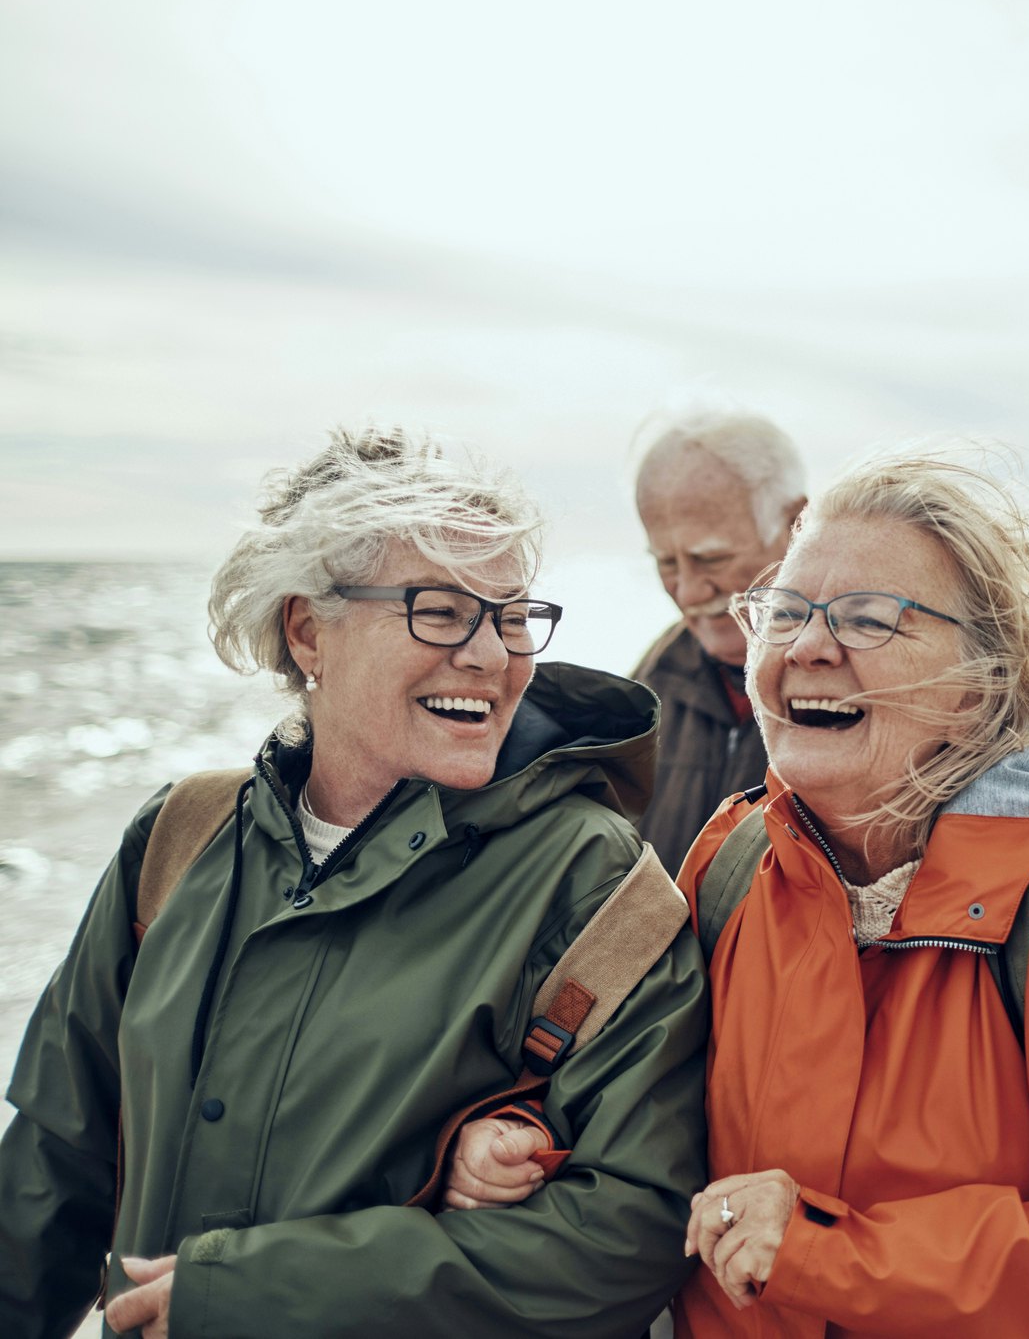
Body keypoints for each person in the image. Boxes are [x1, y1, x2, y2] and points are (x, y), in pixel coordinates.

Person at [454, 453, 1029, 1338]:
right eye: (784, 613)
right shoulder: (729, 858)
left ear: (980, 683)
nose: (806, 647)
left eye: (869, 620)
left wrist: (827, 1252)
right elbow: (619, 1100)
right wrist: (512, 1144)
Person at [0, 428, 708, 1338]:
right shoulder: (180, 838)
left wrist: (254, 1297)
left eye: (511, 613)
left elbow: (629, 1234)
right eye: (441, 611)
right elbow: (54, 1166)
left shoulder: (594, 883)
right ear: (308, 631)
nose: (493, 657)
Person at [631, 412, 807, 870]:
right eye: (667, 563)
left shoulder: (863, 683)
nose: (688, 592)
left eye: (710, 558)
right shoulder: (647, 688)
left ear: (798, 526)